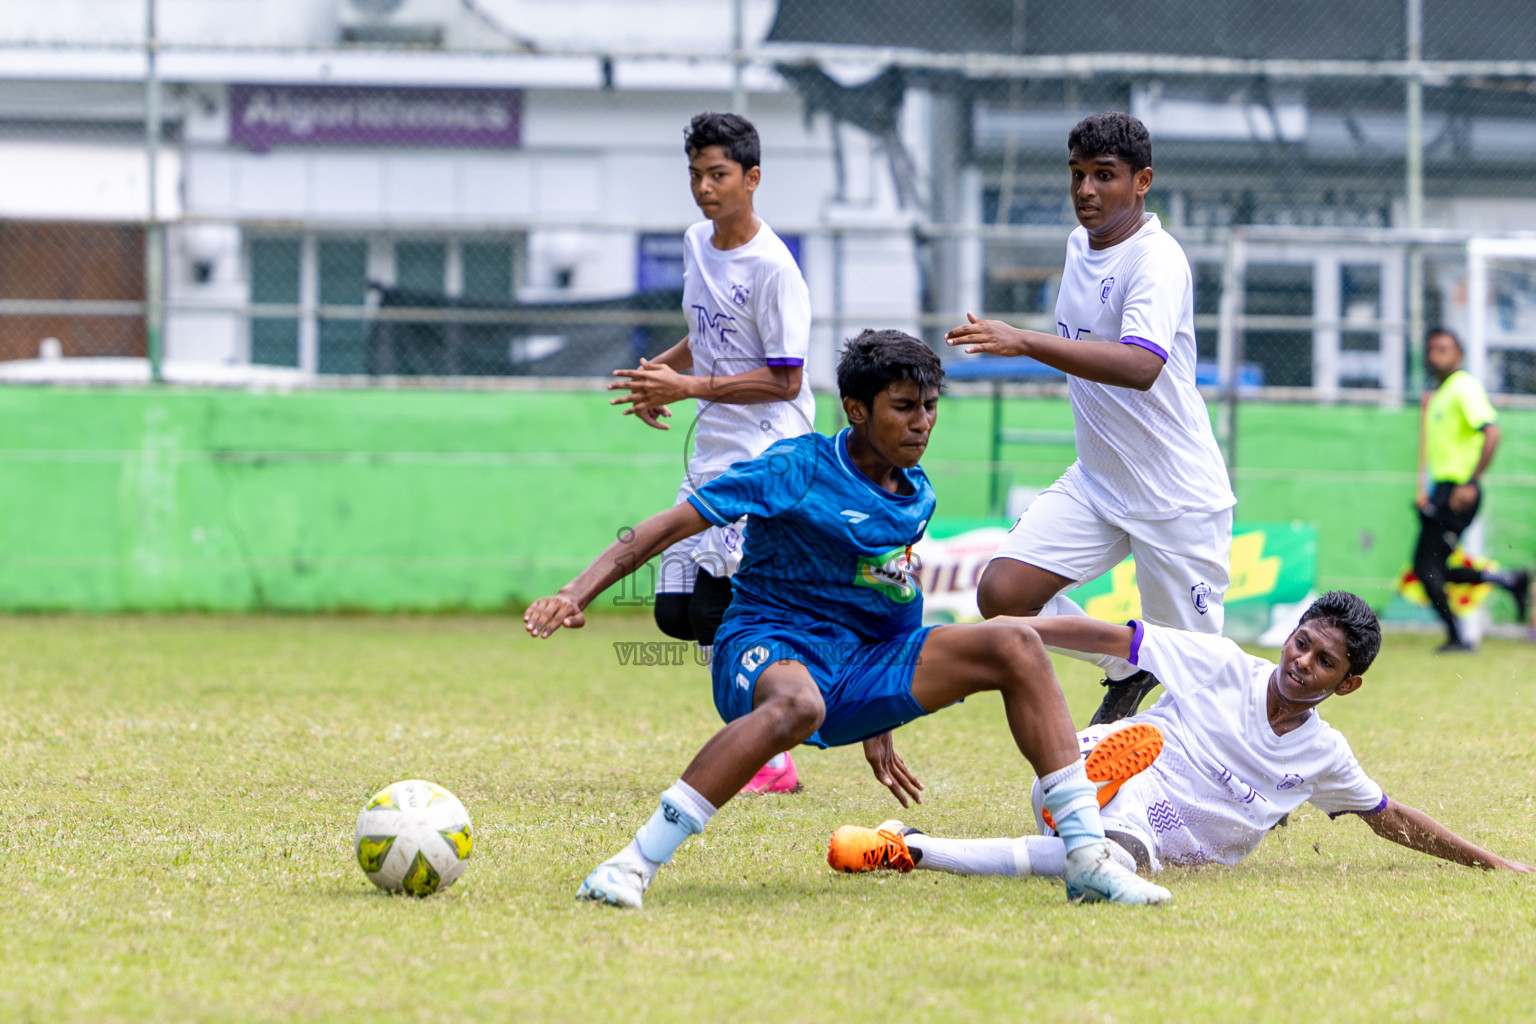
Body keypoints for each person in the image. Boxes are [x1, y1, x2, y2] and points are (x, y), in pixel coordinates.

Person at [526, 331, 1172, 909]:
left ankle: (1088, 858)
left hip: (860, 663)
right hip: (768, 641)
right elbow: (667, 526)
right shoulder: (795, 467)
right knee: (797, 707)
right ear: (857, 411)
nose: (922, 423)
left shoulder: (913, 494)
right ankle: (630, 864)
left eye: (929, 406)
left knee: (1016, 645)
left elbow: (891, 595)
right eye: (903, 407)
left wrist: (880, 716)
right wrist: (575, 592)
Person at [827, 591, 1533, 880]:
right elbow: (1107, 636)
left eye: (1325, 662)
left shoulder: (1325, 756)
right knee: (1129, 786)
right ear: (1290, 635)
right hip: (1098, 777)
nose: (1302, 662)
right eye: (1302, 642)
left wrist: (1494, 865)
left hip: (1172, 846)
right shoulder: (1221, 662)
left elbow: (1390, 818)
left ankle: (911, 846)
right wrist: (1004, 635)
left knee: (1106, 862)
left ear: (1346, 685)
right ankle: (1088, 778)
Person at [944, 111, 1235, 726]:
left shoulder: (1156, 260)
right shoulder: (1081, 244)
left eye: (1104, 176)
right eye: (1077, 175)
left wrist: (1024, 341)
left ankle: (1256, 779)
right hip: (1099, 484)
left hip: (1176, 496)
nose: (1085, 191)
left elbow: (1139, 365)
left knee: (1201, 676)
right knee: (1003, 596)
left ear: (1142, 181)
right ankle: (1128, 664)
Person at [609, 112, 817, 792]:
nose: (704, 187)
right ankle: (782, 706)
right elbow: (705, 333)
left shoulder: (776, 270)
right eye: (696, 174)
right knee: (675, 612)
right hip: (713, 447)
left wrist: (688, 384)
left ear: (752, 178)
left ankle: (772, 746)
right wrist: (658, 378)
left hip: (764, 454)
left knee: (717, 609)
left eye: (718, 174)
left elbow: (786, 378)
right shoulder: (700, 242)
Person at [1411, 327, 1528, 652]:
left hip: (1458, 492)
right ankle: (1507, 581)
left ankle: (1458, 636)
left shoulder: (1464, 387)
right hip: (1442, 490)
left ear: (1458, 354)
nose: (1436, 355)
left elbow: (1492, 433)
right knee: (1430, 567)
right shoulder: (1442, 392)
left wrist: (1471, 481)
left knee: (1426, 567)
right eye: (1432, 349)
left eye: (1444, 349)